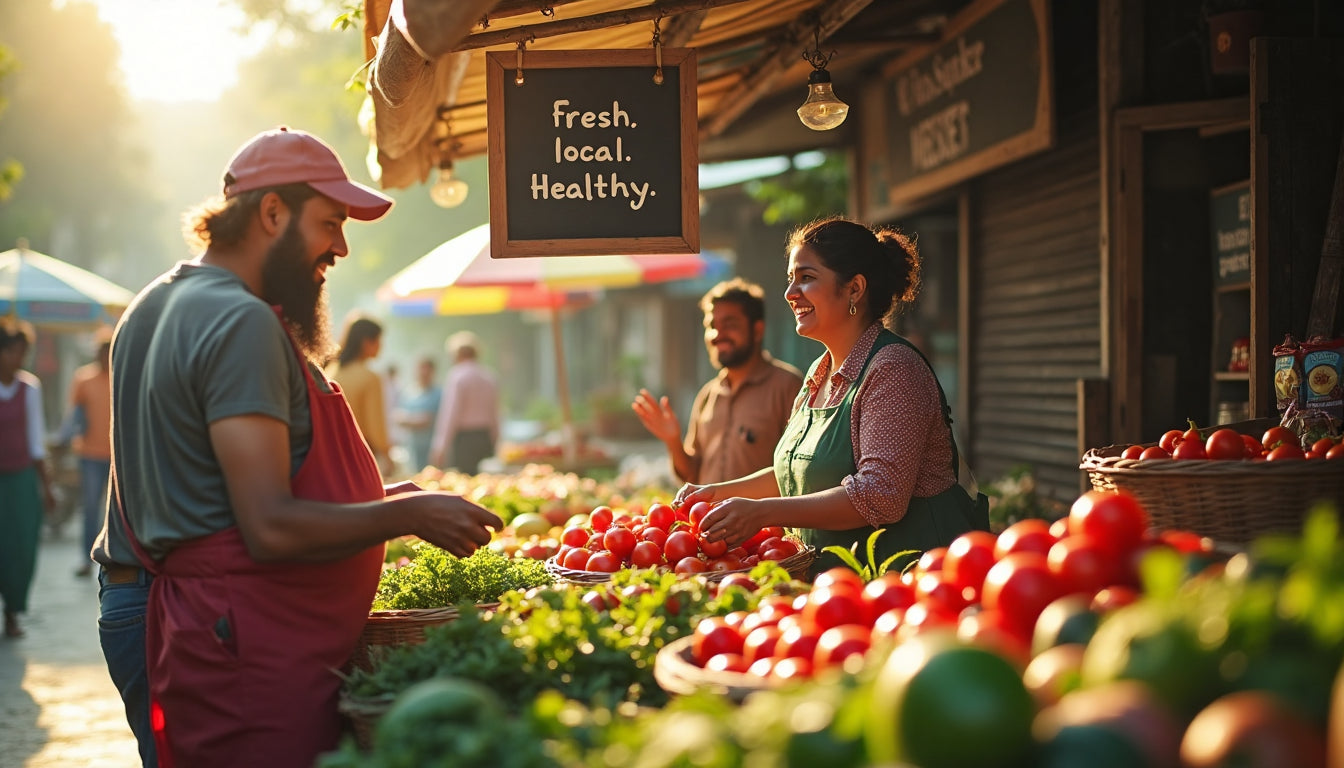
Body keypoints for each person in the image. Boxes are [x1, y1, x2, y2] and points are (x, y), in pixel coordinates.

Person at [89, 126, 501, 768]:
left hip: (152, 605)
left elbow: (207, 489)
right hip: (220, 626)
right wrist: (405, 517)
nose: (339, 247)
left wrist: (386, 499)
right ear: (272, 212)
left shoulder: (151, 304)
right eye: (330, 223)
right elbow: (268, 526)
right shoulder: (241, 321)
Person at [678, 217, 988, 577]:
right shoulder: (819, 372)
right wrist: (714, 493)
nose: (790, 292)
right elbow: (794, 473)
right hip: (836, 586)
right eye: (791, 278)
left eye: (806, 277)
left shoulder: (893, 369)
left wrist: (763, 512)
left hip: (905, 586)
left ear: (854, 288)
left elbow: (881, 496)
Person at [632, 278, 803, 485]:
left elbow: (797, 473)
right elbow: (691, 476)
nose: (717, 334)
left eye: (730, 324)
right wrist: (673, 442)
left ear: (757, 330)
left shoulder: (788, 387)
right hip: (706, 517)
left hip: (765, 518)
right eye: (711, 325)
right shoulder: (707, 396)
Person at [0, 318, 56, 639]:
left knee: (22, 546)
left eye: (22, 352)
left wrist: (47, 488)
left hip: (21, 479)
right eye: (10, 352)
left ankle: (12, 612)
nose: (16, 359)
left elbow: (36, 441)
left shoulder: (29, 388)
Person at [67, 331, 113, 578]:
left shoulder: (120, 376)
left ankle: (114, 557)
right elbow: (75, 413)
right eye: (101, 352)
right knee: (91, 508)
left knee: (117, 510)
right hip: (89, 454)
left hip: (116, 455)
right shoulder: (83, 379)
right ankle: (86, 559)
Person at [326, 314, 393, 475]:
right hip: (359, 455)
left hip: (331, 453)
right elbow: (375, 428)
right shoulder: (370, 378)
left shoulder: (331, 372)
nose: (380, 346)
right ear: (366, 342)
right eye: (378, 340)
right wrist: (387, 456)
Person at [429, 331, 500, 474]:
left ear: (457, 354)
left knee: (466, 482)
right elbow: (495, 413)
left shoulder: (457, 376)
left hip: (464, 439)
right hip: (484, 436)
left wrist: (440, 446)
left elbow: (450, 414)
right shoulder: (489, 376)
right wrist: (496, 439)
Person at [395, 356, 441, 472]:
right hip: (411, 448)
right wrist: (415, 420)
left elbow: (427, 420)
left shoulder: (438, 394)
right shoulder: (408, 393)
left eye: (427, 369)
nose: (424, 372)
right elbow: (398, 417)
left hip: (431, 448)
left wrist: (409, 420)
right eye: (421, 368)